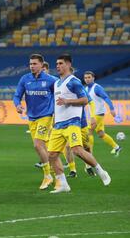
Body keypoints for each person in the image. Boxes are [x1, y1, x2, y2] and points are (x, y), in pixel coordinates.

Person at [48, 54, 111, 194]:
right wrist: (54, 118)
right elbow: (57, 105)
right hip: (58, 124)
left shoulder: (74, 81)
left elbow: (84, 100)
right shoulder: (57, 83)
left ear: (69, 65)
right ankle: (63, 184)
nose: (57, 66)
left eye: (61, 63)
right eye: (57, 63)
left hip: (72, 122)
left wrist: (68, 101)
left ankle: (101, 171)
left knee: (77, 150)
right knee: (51, 155)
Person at [13, 54, 58, 190]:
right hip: (31, 117)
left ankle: (47, 175)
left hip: (46, 116)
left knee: (37, 145)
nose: (32, 66)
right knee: (43, 148)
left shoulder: (51, 80)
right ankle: (57, 175)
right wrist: (18, 105)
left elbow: (60, 95)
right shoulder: (25, 79)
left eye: (34, 64)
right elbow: (17, 95)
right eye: (30, 64)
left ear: (42, 65)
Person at [84, 71, 122, 156]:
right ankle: (116, 147)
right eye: (85, 78)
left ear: (93, 78)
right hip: (94, 114)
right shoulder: (86, 89)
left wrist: (111, 108)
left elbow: (106, 97)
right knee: (101, 134)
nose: (87, 79)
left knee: (89, 132)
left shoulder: (97, 88)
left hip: (98, 114)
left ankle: (90, 155)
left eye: (89, 77)